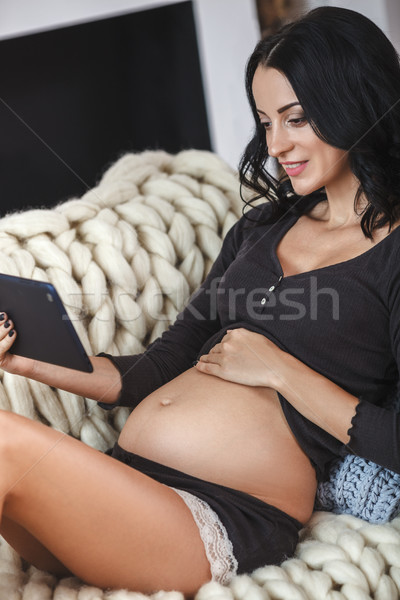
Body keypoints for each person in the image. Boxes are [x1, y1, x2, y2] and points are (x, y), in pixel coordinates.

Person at [0, 5, 399, 596]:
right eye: (265, 122)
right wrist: (26, 359)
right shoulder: (261, 228)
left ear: (354, 105)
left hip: (219, 517)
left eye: (296, 119)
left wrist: (280, 372)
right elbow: (160, 367)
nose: (276, 145)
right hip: (125, 483)